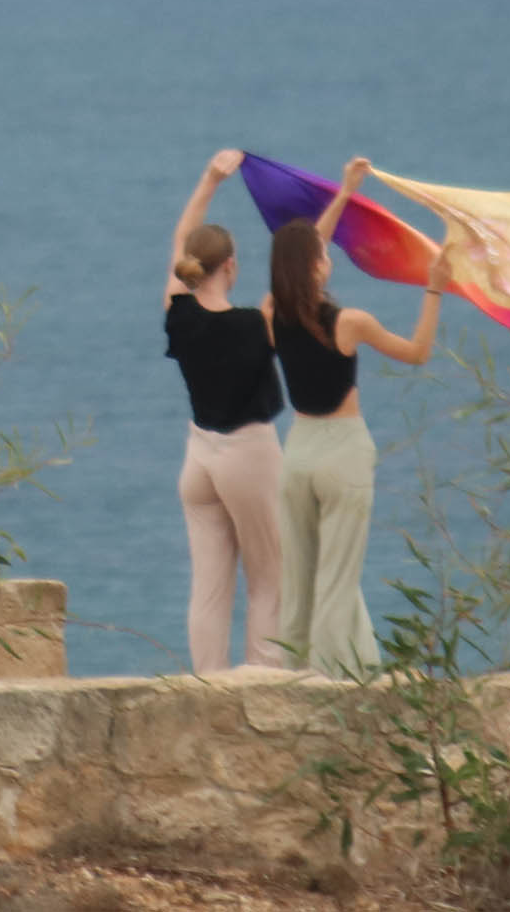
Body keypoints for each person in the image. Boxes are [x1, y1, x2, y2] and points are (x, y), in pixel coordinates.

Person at [263, 157, 449, 676]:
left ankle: (293, 673)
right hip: (342, 451)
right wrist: (434, 287)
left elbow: (304, 258)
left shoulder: (270, 314)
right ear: (317, 265)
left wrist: (344, 194)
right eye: (323, 256)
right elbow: (417, 352)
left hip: (297, 452)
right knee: (338, 580)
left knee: (299, 577)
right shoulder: (350, 322)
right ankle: (336, 680)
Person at [163, 149, 288, 673]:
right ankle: (263, 679)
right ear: (231, 266)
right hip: (248, 455)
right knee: (270, 580)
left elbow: (181, 239)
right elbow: (298, 275)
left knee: (210, 588)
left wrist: (210, 179)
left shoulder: (179, 313)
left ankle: (207, 683)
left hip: (199, 458)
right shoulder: (256, 324)